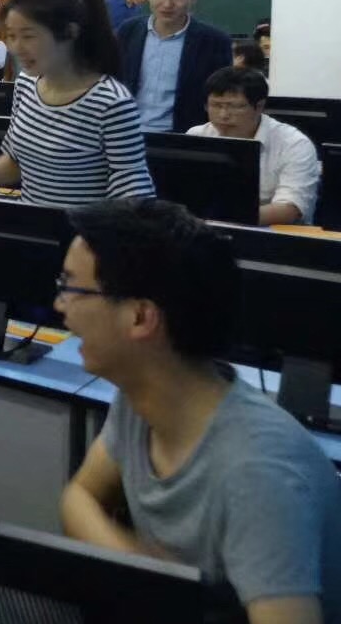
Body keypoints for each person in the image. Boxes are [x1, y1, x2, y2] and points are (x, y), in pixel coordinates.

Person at [57, 198, 340, 619]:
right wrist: (160, 580)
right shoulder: (141, 397)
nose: (60, 305)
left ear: (140, 317)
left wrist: (155, 585)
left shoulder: (260, 474)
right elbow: (79, 496)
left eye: (72, 288)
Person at [0, 0, 154, 206]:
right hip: (33, 222)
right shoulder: (25, 85)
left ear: (69, 33)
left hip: (82, 228)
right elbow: (16, 161)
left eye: (28, 36)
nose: (16, 48)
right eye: (12, 36)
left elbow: (134, 194)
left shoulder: (111, 102)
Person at [187, 67, 320, 225]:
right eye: (216, 105)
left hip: (270, 232)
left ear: (259, 106)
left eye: (235, 106)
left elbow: (289, 209)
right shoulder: (197, 135)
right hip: (204, 228)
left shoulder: (294, 144)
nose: (223, 115)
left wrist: (223, 218)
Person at [116, 0, 232, 134]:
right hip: (127, 135)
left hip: (182, 138)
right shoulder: (128, 32)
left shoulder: (214, 42)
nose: (167, 4)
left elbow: (220, 97)